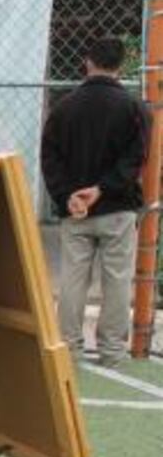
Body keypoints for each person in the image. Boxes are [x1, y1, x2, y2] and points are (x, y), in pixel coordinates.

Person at [41, 37, 152, 368]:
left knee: (74, 277)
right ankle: (111, 351)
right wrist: (103, 188)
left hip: (75, 210)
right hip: (116, 207)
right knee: (117, 278)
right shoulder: (134, 109)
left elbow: (50, 157)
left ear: (87, 61)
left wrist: (67, 195)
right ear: (121, 65)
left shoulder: (64, 107)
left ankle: (70, 347)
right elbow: (136, 159)